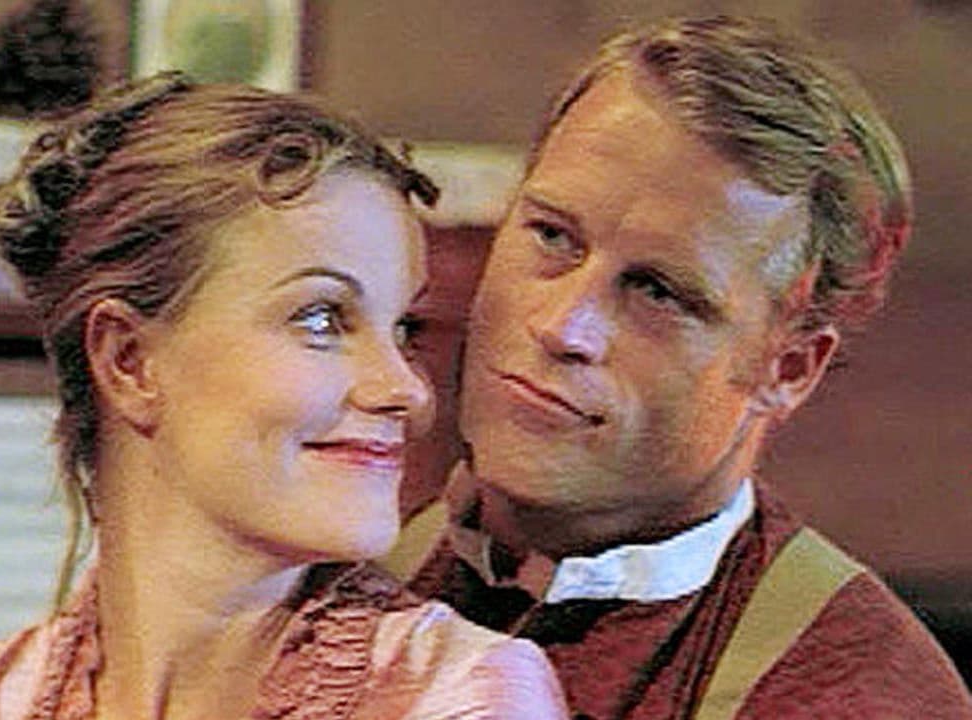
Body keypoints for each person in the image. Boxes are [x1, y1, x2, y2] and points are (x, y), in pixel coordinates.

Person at [0, 73, 566, 720]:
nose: (409, 392)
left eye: (405, 329)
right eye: (322, 319)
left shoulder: (461, 694)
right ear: (130, 361)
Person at [396, 15, 972, 719]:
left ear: (789, 368)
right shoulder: (342, 556)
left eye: (657, 291)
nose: (561, 326)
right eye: (551, 235)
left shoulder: (856, 695)